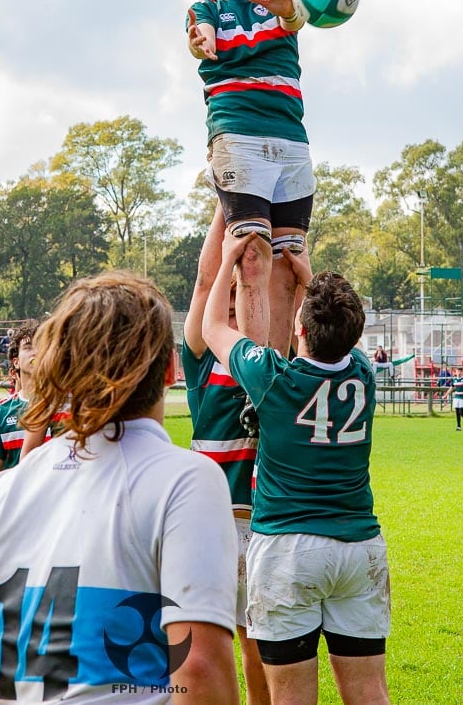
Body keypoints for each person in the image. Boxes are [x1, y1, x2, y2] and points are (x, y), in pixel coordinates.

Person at [0, 270, 240, 705]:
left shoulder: (6, 489)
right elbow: (198, 667)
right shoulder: (186, 479)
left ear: (59, 368)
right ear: (170, 368)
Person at [203, 230, 391, 705]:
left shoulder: (273, 377)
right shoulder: (364, 375)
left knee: (291, 699)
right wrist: (309, 280)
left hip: (288, 550)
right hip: (359, 548)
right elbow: (341, 336)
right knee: (370, 693)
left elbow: (213, 329)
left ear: (301, 329)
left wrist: (227, 262)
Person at [186, 0, 315, 356]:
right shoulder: (204, 10)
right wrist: (201, 40)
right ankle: (255, 376)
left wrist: (288, 11)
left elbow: (295, 21)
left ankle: (278, 370)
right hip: (238, 135)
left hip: (291, 139)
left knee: (289, 263)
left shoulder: (277, 0)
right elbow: (200, 36)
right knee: (252, 254)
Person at [183, 203, 268, 705]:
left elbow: (270, 290)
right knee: (206, 647)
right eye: (227, 309)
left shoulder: (267, 361)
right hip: (210, 521)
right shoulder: (201, 364)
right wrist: (226, 204)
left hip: (259, 521)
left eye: (241, 308)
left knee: (257, 644)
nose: (232, 319)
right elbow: (202, 285)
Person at [0, 320, 39, 489]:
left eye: (42, 346)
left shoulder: (65, 408)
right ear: (16, 362)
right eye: (28, 347)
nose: (36, 352)